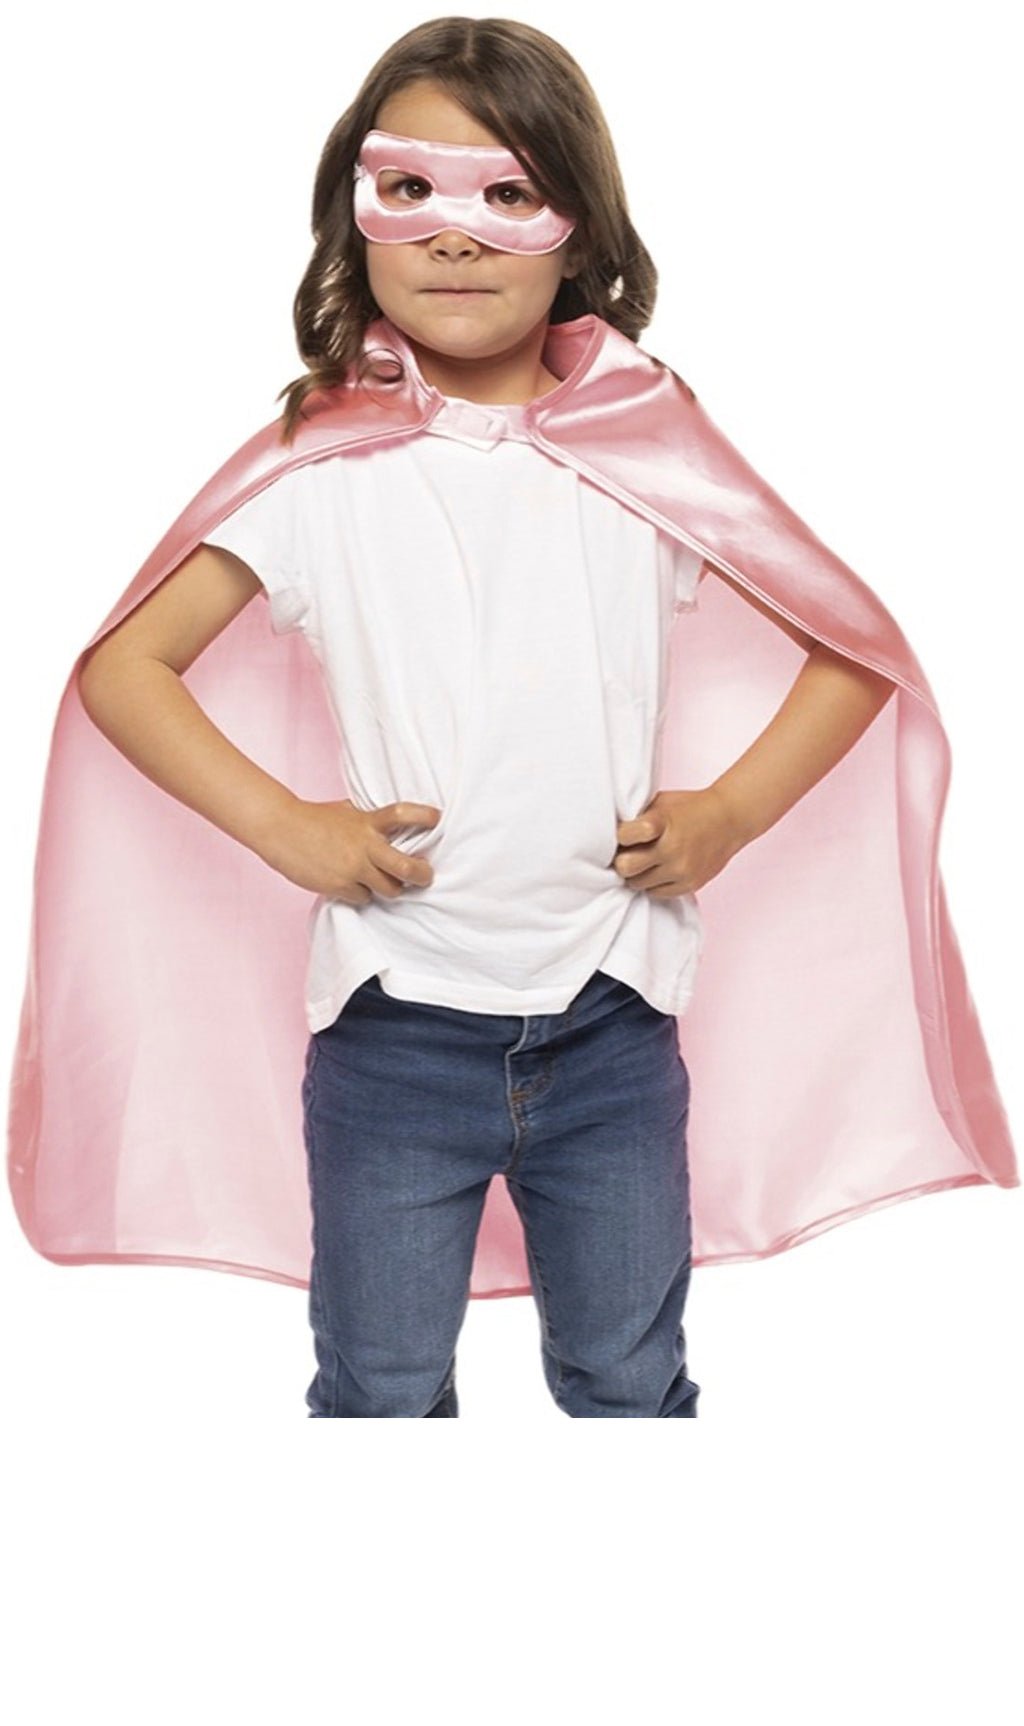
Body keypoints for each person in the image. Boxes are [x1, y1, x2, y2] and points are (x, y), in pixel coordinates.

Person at [9, 17, 1017, 1418]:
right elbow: (127, 666)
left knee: (628, 1378)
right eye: (409, 188)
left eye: (508, 193)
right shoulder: (318, 470)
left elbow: (851, 649)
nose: (454, 233)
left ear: (576, 226)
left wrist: (730, 813)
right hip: (392, 1031)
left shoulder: (644, 450)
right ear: (355, 215)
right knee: (382, 1388)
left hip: (612, 1020)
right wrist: (287, 827)